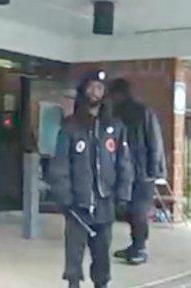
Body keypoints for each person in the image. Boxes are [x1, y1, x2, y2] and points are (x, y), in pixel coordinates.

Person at [49, 71, 133, 288]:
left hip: (105, 204)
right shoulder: (70, 126)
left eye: (100, 88)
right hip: (78, 205)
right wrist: (64, 197)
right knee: (74, 256)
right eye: (91, 87)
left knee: (102, 256)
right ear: (83, 91)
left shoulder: (114, 127)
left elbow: (124, 163)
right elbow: (60, 164)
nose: (95, 92)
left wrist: (123, 195)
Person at [110, 78, 167, 265]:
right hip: (136, 170)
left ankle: (140, 248)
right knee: (133, 210)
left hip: (140, 171)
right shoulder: (124, 112)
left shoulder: (139, 112)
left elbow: (154, 141)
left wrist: (155, 169)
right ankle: (136, 246)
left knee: (137, 211)